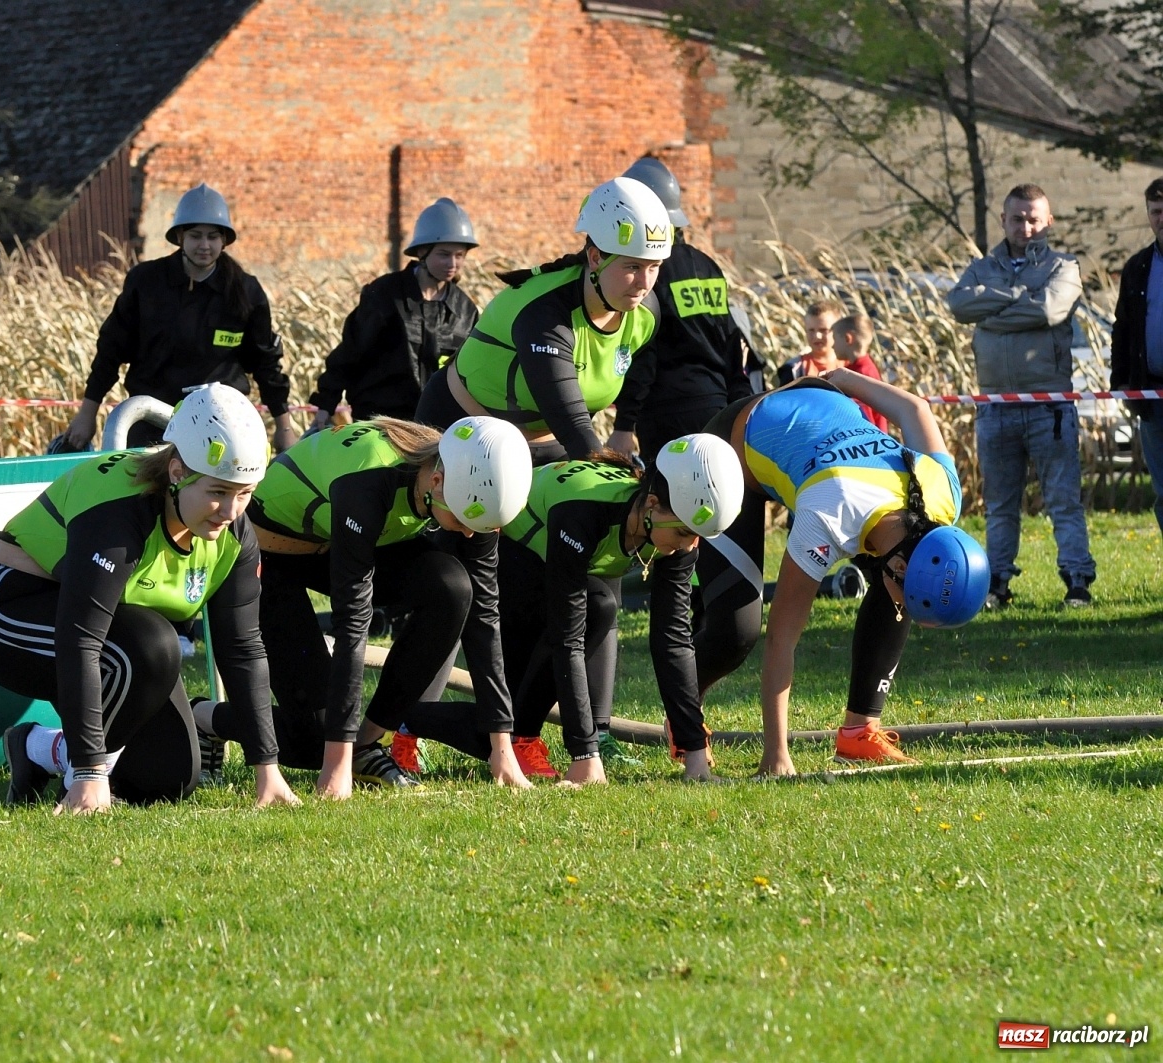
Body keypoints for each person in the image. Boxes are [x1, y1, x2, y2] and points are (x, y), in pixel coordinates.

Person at [0, 384, 300, 812]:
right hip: (8, 608)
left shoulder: (234, 531)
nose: (231, 511)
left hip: (114, 634)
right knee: (155, 646)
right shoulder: (118, 509)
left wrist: (267, 770)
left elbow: (243, 648)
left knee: (168, 778)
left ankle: (36, 748)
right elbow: (81, 639)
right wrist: (89, 773)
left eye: (245, 493)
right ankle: (80, 775)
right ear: (178, 472)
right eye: (218, 492)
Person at [200, 415, 532, 800]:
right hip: (270, 559)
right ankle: (205, 719)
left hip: (331, 542)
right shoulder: (369, 478)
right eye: (461, 519)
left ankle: (368, 741)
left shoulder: (466, 485)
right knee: (317, 741)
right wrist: (336, 764)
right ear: (436, 482)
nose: (470, 533)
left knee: (454, 588)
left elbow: (485, 616)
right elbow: (352, 620)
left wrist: (501, 748)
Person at [683, 374, 990, 776]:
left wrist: (841, 379)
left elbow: (916, 409)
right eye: (904, 587)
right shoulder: (828, 513)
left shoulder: (942, 496)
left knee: (896, 594)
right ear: (900, 564)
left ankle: (859, 732)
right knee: (735, 633)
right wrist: (777, 754)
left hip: (817, 418)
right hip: (733, 447)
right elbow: (782, 637)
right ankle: (684, 719)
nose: (905, 607)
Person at [448, 435, 741, 786]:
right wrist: (585, 756)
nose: (690, 545)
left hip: (550, 557)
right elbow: (566, 638)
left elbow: (673, 640)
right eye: (683, 532)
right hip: (511, 550)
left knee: (599, 606)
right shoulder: (585, 512)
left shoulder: (675, 530)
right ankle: (401, 726)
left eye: (699, 536)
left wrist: (695, 756)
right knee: (492, 726)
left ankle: (521, 737)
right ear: (651, 504)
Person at [416, 177, 672, 463]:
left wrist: (625, 429)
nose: (644, 282)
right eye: (633, 266)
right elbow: (572, 424)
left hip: (548, 439)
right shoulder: (545, 315)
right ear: (596, 257)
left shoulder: (646, 313)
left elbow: (629, 380)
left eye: (655, 267)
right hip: (464, 427)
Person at [59, 183, 298, 454]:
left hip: (221, 423)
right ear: (180, 237)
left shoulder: (246, 291)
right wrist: (87, 414)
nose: (204, 246)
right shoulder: (146, 283)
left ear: (224, 241)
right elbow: (110, 352)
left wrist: (284, 428)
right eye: (196, 236)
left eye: (212, 237)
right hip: (151, 421)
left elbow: (266, 365)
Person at [946, 184, 1094, 609]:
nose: (1025, 226)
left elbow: (1049, 310)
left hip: (1048, 407)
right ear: (1003, 220)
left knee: (1063, 501)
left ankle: (1077, 581)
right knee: (1000, 504)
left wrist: (990, 311)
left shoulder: (1064, 266)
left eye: (1034, 218)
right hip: (995, 407)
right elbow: (958, 306)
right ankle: (997, 585)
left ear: (1048, 221)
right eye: (1017, 218)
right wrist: (1016, 296)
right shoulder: (981, 268)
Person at [608, 156, 755, 465]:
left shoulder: (645, 272)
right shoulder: (708, 266)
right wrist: (740, 407)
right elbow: (732, 345)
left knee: (670, 508)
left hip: (665, 415)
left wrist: (624, 425)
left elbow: (643, 351)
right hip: (719, 409)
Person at [308, 199, 481, 427]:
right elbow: (350, 352)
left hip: (437, 426)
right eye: (444, 254)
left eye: (460, 255)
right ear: (422, 252)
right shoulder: (385, 295)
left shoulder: (465, 310)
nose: (452, 263)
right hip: (380, 421)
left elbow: (474, 371)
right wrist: (325, 406)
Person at [1108, 178, 1163, 539]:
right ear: (1148, 216)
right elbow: (1123, 329)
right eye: (1157, 212)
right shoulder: (1138, 267)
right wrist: (1122, 384)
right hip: (1153, 398)